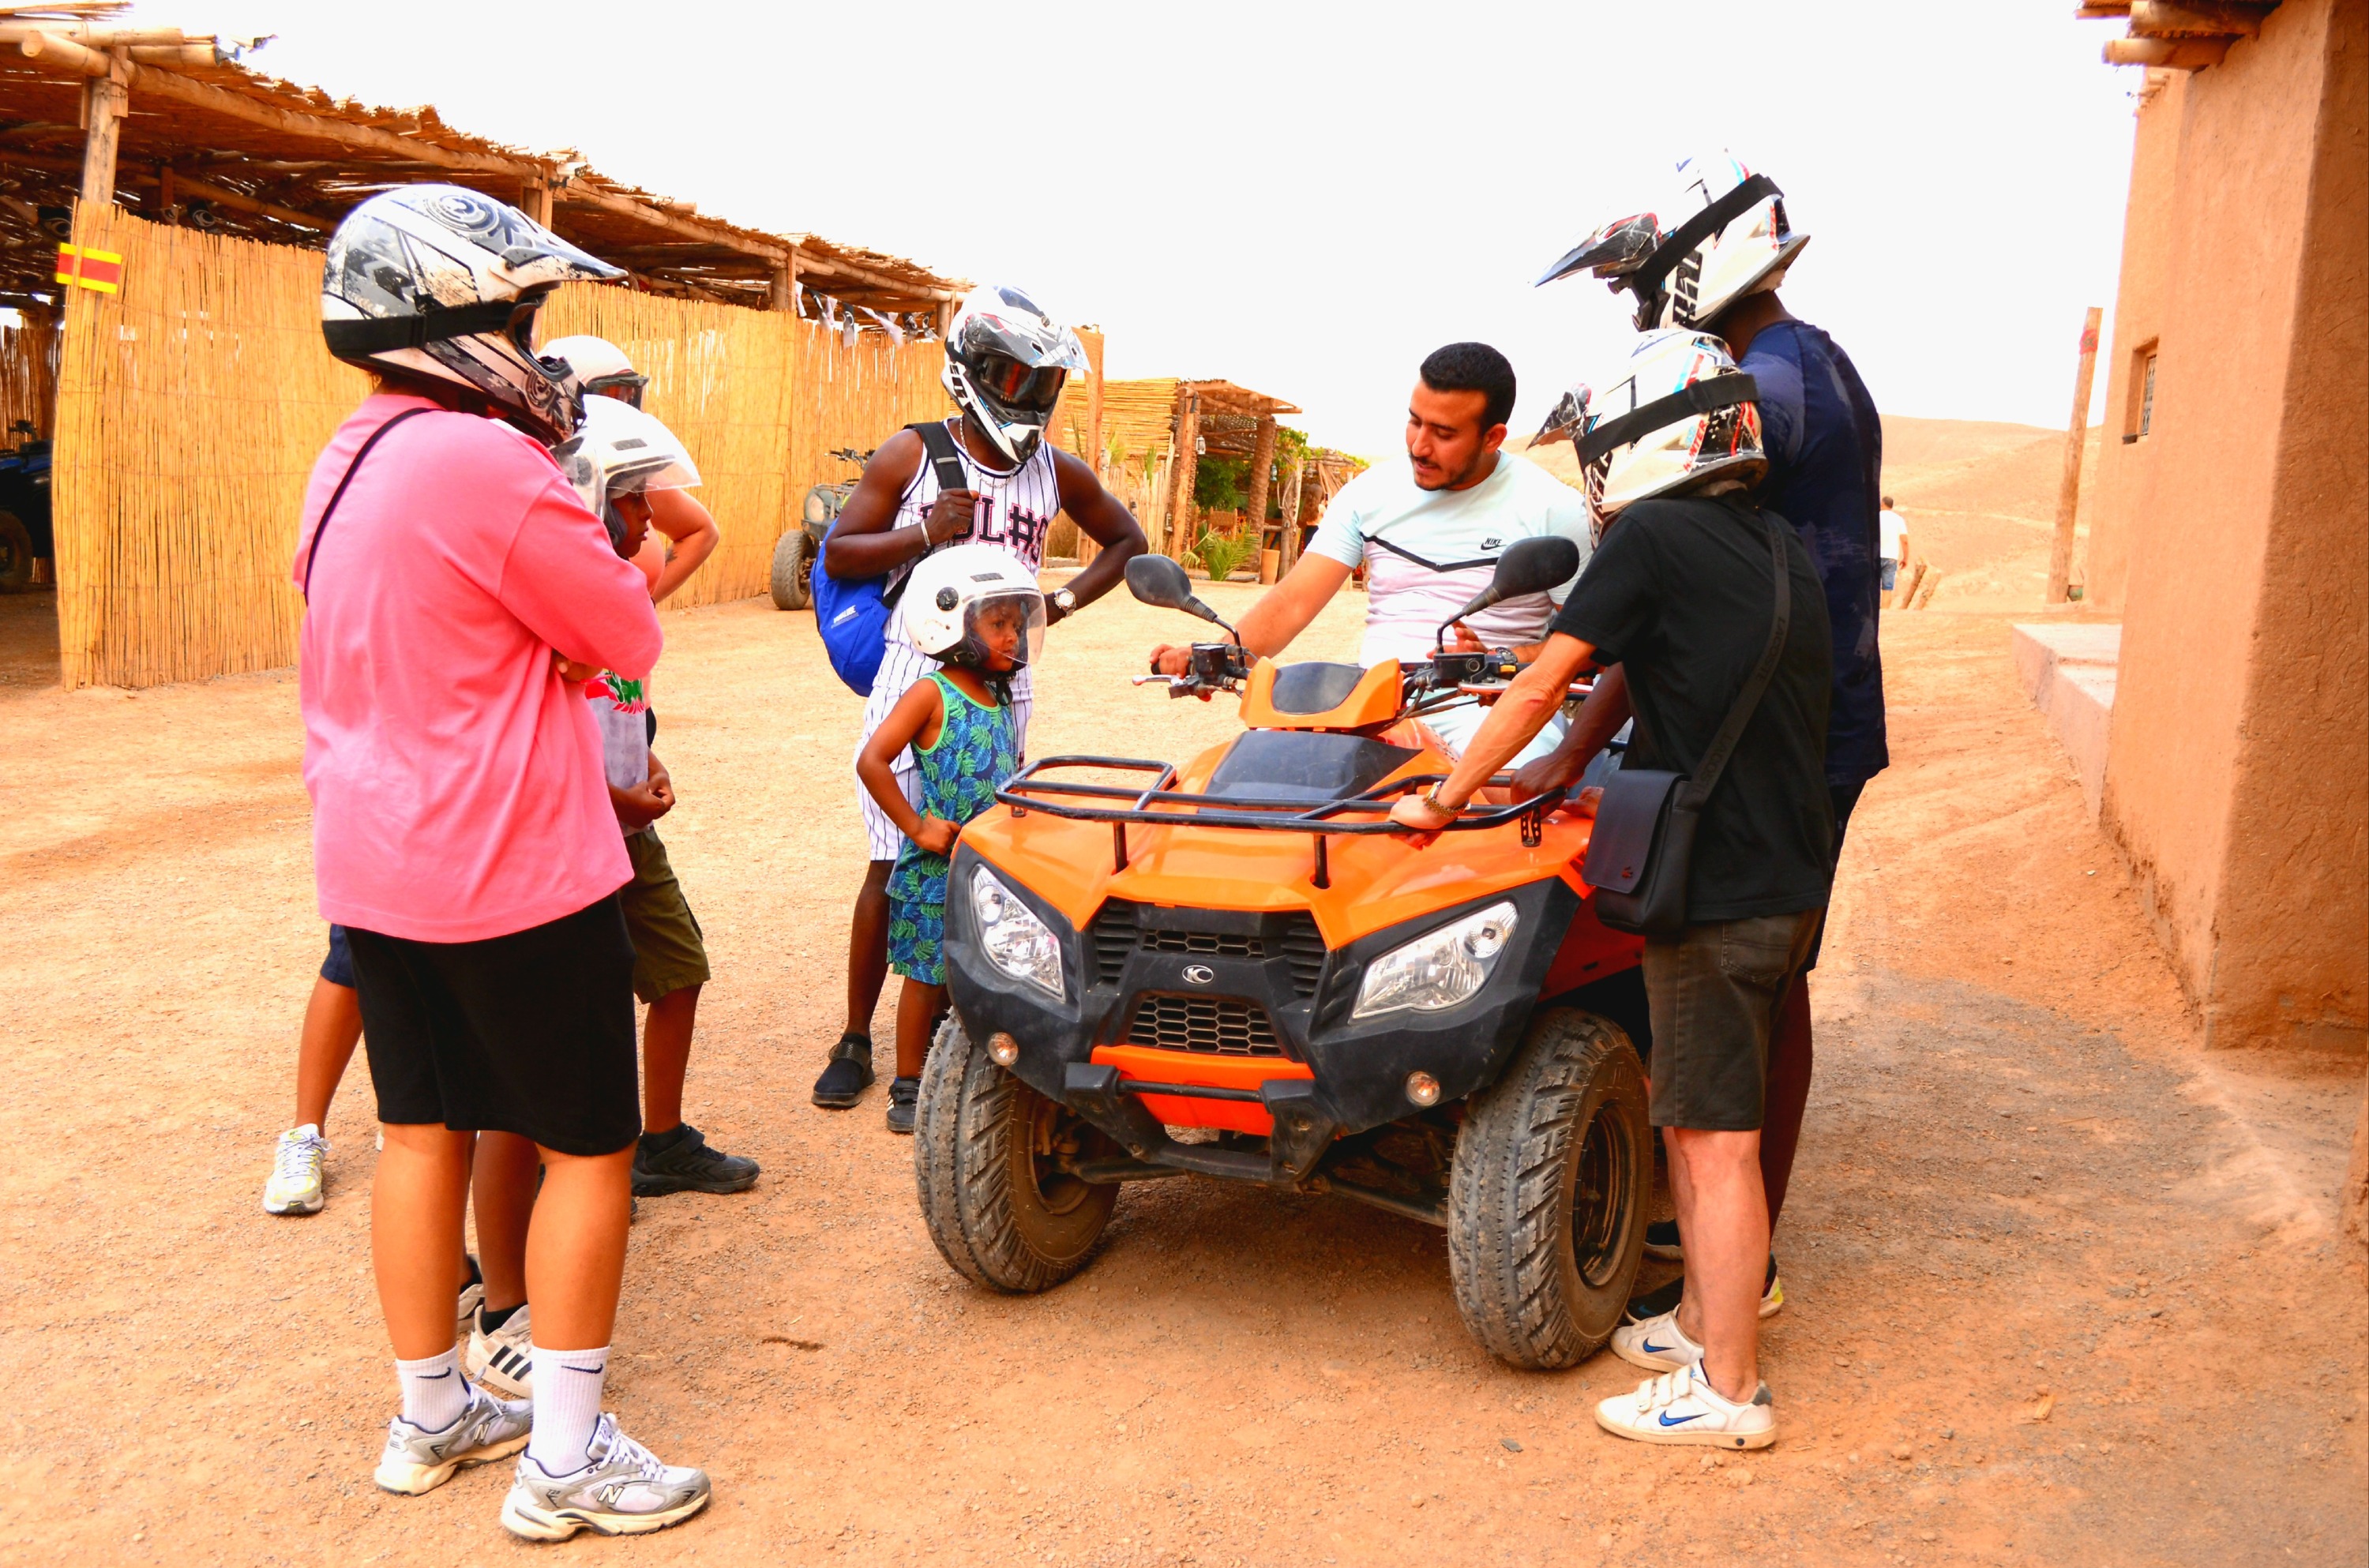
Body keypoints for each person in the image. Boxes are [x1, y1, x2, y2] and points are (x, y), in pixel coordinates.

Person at [306, 184, 706, 1540]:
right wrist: (619, 561)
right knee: (591, 1147)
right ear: (457, 316)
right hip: (511, 865)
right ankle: (568, 1459)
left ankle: (430, 1417)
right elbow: (619, 637)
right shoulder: (486, 461)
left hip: (379, 863)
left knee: (420, 1129)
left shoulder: (350, 450)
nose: (536, 343)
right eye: (525, 311)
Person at [1389, 330, 1833, 1449]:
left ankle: (1728, 1390)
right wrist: (1555, 763)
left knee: (1708, 1134)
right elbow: (1639, 666)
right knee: (1699, 1117)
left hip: (1716, 890)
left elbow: (1543, 674)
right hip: (1788, 879)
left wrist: (1448, 794)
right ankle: (1696, 1322)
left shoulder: (1655, 539)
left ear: (1645, 442)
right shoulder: (1776, 546)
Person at [1533, 152, 1884, 1317]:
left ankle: (1734, 1261)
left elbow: (1688, 593)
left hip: (1776, 736)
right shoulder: (1800, 359)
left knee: (1744, 979)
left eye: (1646, 286)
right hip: (1799, 719)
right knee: (1766, 979)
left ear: (1698, 264)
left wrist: (1569, 747)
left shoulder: (1763, 395)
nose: (1639, 311)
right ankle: (1723, 1234)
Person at [810, 284, 1145, 1112]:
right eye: (1013, 376)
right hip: (915, 676)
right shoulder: (911, 455)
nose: (1028, 397)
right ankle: (856, 1037)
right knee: (893, 860)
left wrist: (1058, 606)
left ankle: (952, 1039)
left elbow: (1129, 542)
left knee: (981, 852)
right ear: (970, 371)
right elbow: (843, 552)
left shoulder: (1054, 473)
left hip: (1005, 685)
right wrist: (926, 532)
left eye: (1042, 383)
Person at [1147, 342, 1592, 763]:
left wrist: (1500, 661)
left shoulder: (1553, 509)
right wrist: (1219, 653)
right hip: (1367, 702)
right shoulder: (1371, 493)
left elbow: (1591, 648)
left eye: (1444, 433)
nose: (1419, 445)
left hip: (1490, 705)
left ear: (1493, 437)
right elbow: (1295, 600)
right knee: (1264, 788)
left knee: (1506, 802)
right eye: (1415, 421)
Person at [552, 394, 758, 1202]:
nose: (649, 516)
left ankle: (658, 1141)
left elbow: (615, 704)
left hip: (630, 830)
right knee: (578, 1005)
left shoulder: (622, 589)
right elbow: (547, 731)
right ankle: (572, 1166)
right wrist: (614, 798)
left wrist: (648, 759)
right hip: (575, 836)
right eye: (633, 497)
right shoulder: (554, 600)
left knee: (678, 972)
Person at [854, 546, 1037, 1131]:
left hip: (991, 863)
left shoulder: (1001, 692)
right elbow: (873, 760)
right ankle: (907, 1086)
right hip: (939, 865)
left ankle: (979, 1068)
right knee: (926, 976)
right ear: (951, 625)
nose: (1012, 636)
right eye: (998, 623)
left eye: (1015, 623)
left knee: (986, 968)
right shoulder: (932, 695)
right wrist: (915, 825)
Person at [545, 335, 723, 603]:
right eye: (613, 396)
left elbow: (701, 532)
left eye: (630, 397)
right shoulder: (539, 478)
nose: (622, 409)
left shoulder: (626, 481)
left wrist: (643, 608)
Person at [1878, 495, 1909, 597]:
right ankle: (1886, 611)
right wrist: (1905, 558)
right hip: (1891, 557)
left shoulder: (1875, 517)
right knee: (1887, 589)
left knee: (1871, 587)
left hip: (1875, 556)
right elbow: (1904, 541)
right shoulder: (1899, 519)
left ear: (1882, 504)